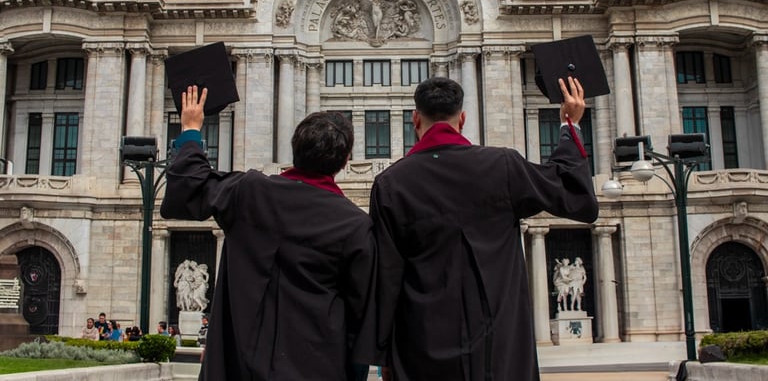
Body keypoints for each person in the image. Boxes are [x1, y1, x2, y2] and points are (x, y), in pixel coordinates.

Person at [365, 76, 599, 381]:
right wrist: (570, 125)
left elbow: (386, 276)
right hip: (498, 349)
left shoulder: (391, 184)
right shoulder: (502, 166)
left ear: (415, 119)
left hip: (421, 349)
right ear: (462, 119)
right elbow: (574, 195)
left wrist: (383, 354)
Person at [161, 85, 376, 381]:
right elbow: (360, 317)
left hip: (237, 366)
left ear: (295, 149)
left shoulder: (249, 193)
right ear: (345, 161)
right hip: (316, 367)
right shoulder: (355, 225)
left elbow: (190, 187)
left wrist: (190, 130)